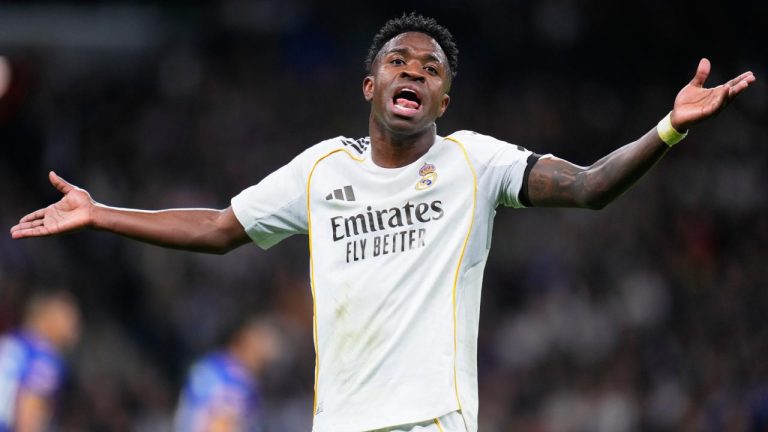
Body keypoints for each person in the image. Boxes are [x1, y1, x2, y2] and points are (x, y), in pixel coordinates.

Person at [9, 12, 755, 432]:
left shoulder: (476, 161)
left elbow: (590, 187)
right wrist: (101, 214)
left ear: (442, 102)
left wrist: (667, 129)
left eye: (431, 70)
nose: (414, 72)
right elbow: (219, 227)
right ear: (370, 84)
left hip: (431, 421)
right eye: (400, 62)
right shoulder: (321, 169)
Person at [174, 316, 280, 432]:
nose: (264, 362)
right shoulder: (236, 380)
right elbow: (220, 425)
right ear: (247, 345)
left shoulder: (212, 364)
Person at [0, 290, 81, 432]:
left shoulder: (12, 340)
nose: (75, 326)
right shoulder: (43, 358)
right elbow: (27, 420)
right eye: (68, 317)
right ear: (46, 317)